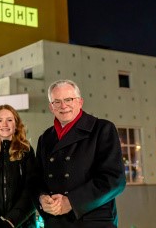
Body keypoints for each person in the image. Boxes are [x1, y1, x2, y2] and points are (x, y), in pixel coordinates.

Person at [35, 80, 126, 227]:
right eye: (57, 102)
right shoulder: (45, 138)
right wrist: (42, 199)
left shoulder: (102, 129)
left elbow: (114, 179)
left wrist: (71, 202)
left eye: (68, 100)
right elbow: (36, 179)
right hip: (56, 222)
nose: (63, 106)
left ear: (80, 102)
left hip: (93, 222)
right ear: (51, 107)